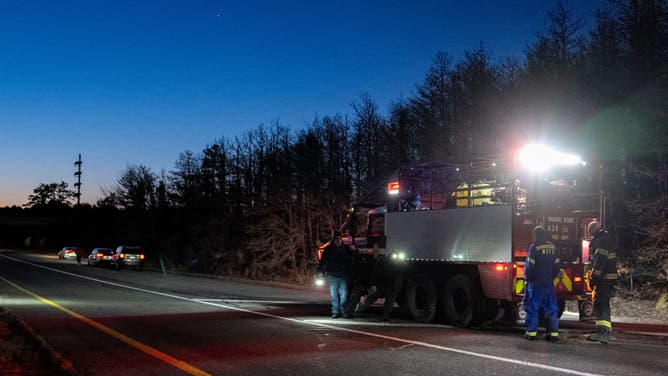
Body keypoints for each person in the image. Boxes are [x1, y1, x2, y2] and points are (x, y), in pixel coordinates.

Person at [524, 226, 561, 342]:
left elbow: (530, 266)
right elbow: (557, 265)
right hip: (549, 283)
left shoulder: (534, 247)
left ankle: (531, 333)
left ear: (536, 235)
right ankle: (553, 334)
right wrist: (552, 277)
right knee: (552, 308)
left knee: (532, 308)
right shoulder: (552, 246)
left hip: (536, 284)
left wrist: (528, 278)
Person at [586, 220, 618, 343]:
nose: (589, 233)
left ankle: (603, 333)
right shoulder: (604, 239)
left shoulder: (601, 241)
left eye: (590, 231)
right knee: (601, 304)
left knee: (601, 304)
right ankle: (603, 331)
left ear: (594, 229)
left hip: (604, 279)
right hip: (605, 279)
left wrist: (594, 278)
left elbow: (599, 263)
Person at [353, 249, 403, 322]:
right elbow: (376, 273)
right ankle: (357, 311)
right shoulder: (384, 261)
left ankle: (385, 316)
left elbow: (401, 273)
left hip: (391, 285)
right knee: (372, 299)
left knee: (389, 302)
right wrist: (374, 284)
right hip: (383, 285)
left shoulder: (398, 263)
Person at [317, 232, 354, 319]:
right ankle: (335, 312)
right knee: (334, 295)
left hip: (343, 275)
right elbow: (322, 262)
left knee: (344, 294)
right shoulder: (328, 249)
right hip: (332, 274)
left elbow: (352, 259)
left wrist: (354, 250)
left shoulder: (346, 249)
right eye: (336, 239)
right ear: (333, 240)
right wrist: (320, 272)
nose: (338, 241)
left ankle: (343, 310)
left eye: (339, 239)